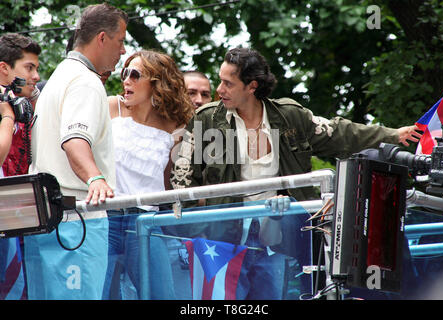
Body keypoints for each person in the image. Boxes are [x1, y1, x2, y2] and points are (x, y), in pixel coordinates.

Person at [170, 47, 422, 299]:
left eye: (228, 83)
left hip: (283, 238)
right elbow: (181, 181)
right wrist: (199, 230)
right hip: (223, 239)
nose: (219, 90)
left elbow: (340, 133)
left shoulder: (290, 116)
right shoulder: (207, 120)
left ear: (252, 86)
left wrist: (391, 134)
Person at [103, 50, 194, 299]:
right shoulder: (111, 106)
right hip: (106, 216)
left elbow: (167, 183)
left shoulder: (175, 125)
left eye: (134, 74)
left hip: (145, 221)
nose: (126, 80)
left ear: (157, 82)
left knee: (163, 295)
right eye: (125, 73)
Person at [29, 3, 128, 207]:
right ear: (102, 38)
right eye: (120, 41)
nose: (123, 50)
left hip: (48, 210)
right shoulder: (86, 80)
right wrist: (95, 179)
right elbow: (75, 139)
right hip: (78, 213)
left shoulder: (61, 75)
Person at [0, 32, 41, 300]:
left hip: (21, 222)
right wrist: (6, 116)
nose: (36, 76)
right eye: (29, 68)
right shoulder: (7, 110)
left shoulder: (21, 106)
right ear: (4, 69)